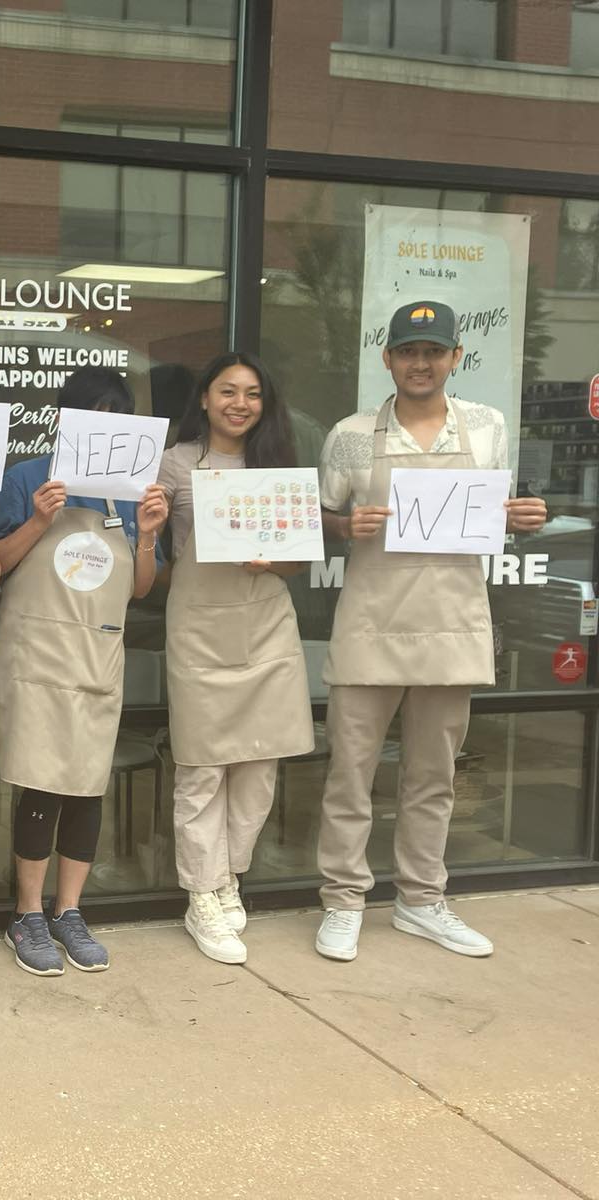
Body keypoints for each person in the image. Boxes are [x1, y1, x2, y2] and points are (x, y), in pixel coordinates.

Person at [314, 301, 546, 961]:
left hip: (450, 620)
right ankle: (343, 900)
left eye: (434, 351)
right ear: (387, 357)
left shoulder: (487, 426)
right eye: (409, 351)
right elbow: (318, 516)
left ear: (455, 357)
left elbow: (494, 513)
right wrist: (343, 526)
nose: (421, 363)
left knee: (433, 776)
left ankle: (420, 900)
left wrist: (521, 517)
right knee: (350, 774)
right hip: (371, 622)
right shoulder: (350, 434)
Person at [0, 367, 167, 976]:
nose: (105, 430)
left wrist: (150, 534)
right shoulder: (27, 478)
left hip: (97, 653)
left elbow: (140, 588)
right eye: (93, 418)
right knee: (41, 780)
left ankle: (69, 911)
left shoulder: (135, 494)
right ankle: (26, 913)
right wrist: (38, 519)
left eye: (117, 420)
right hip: (37, 655)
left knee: (88, 782)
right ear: (66, 422)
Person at [157, 353, 313, 965]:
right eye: (228, 391)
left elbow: (298, 560)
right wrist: (147, 521)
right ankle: (201, 894)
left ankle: (229, 878)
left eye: (252, 393)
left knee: (257, 763)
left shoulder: (277, 467)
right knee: (202, 766)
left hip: (267, 624)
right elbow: (152, 545)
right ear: (204, 397)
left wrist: (272, 559)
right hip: (199, 627)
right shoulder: (175, 462)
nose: (239, 404)